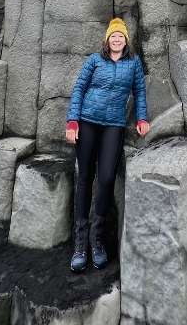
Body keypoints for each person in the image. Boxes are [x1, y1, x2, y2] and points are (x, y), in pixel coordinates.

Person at [64, 17, 150, 272]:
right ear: (107, 39)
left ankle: (97, 241)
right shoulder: (94, 60)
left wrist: (142, 117)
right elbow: (79, 89)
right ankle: (80, 244)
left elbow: (140, 92)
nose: (116, 39)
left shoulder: (133, 63)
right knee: (85, 178)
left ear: (126, 40)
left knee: (106, 179)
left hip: (113, 125)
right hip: (87, 122)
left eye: (120, 36)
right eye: (113, 36)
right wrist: (72, 122)